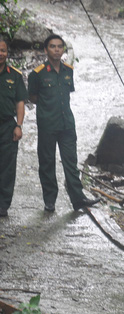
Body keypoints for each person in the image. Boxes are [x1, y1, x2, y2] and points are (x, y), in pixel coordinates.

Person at [28, 34, 99, 213]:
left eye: (60, 46)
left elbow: (67, 94)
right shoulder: (37, 74)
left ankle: (78, 198)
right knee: (47, 163)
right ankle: (50, 200)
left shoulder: (68, 70)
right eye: (52, 46)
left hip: (67, 124)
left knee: (71, 162)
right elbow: (34, 98)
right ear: (46, 50)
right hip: (47, 125)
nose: (57, 49)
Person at [0, 38, 27, 217]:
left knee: (7, 166)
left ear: (7, 53)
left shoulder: (14, 75)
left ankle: (2, 205)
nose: (0, 54)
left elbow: (20, 102)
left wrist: (18, 125)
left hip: (7, 126)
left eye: (2, 50)